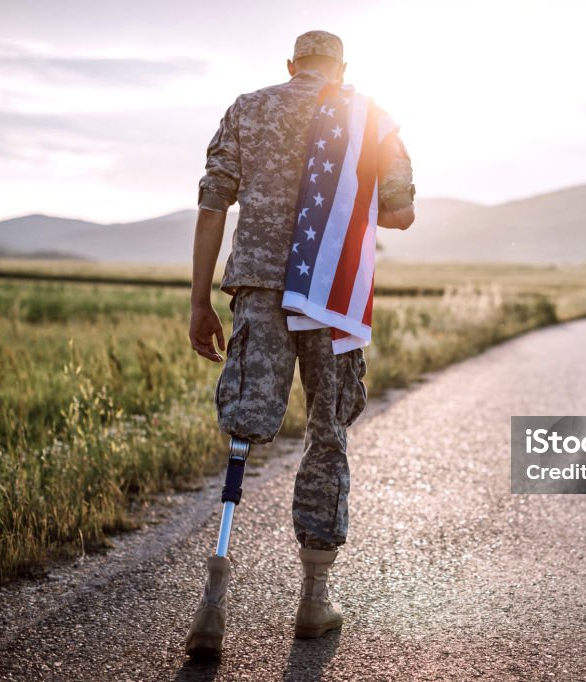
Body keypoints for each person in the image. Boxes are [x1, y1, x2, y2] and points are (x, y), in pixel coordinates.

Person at [185, 30, 415, 654]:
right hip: (329, 296)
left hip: (258, 290)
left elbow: (212, 206)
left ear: (290, 66)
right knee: (327, 430)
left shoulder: (248, 108)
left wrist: (201, 299)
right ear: (342, 68)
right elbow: (399, 213)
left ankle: (213, 605)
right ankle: (313, 602)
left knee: (244, 428)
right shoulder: (369, 117)